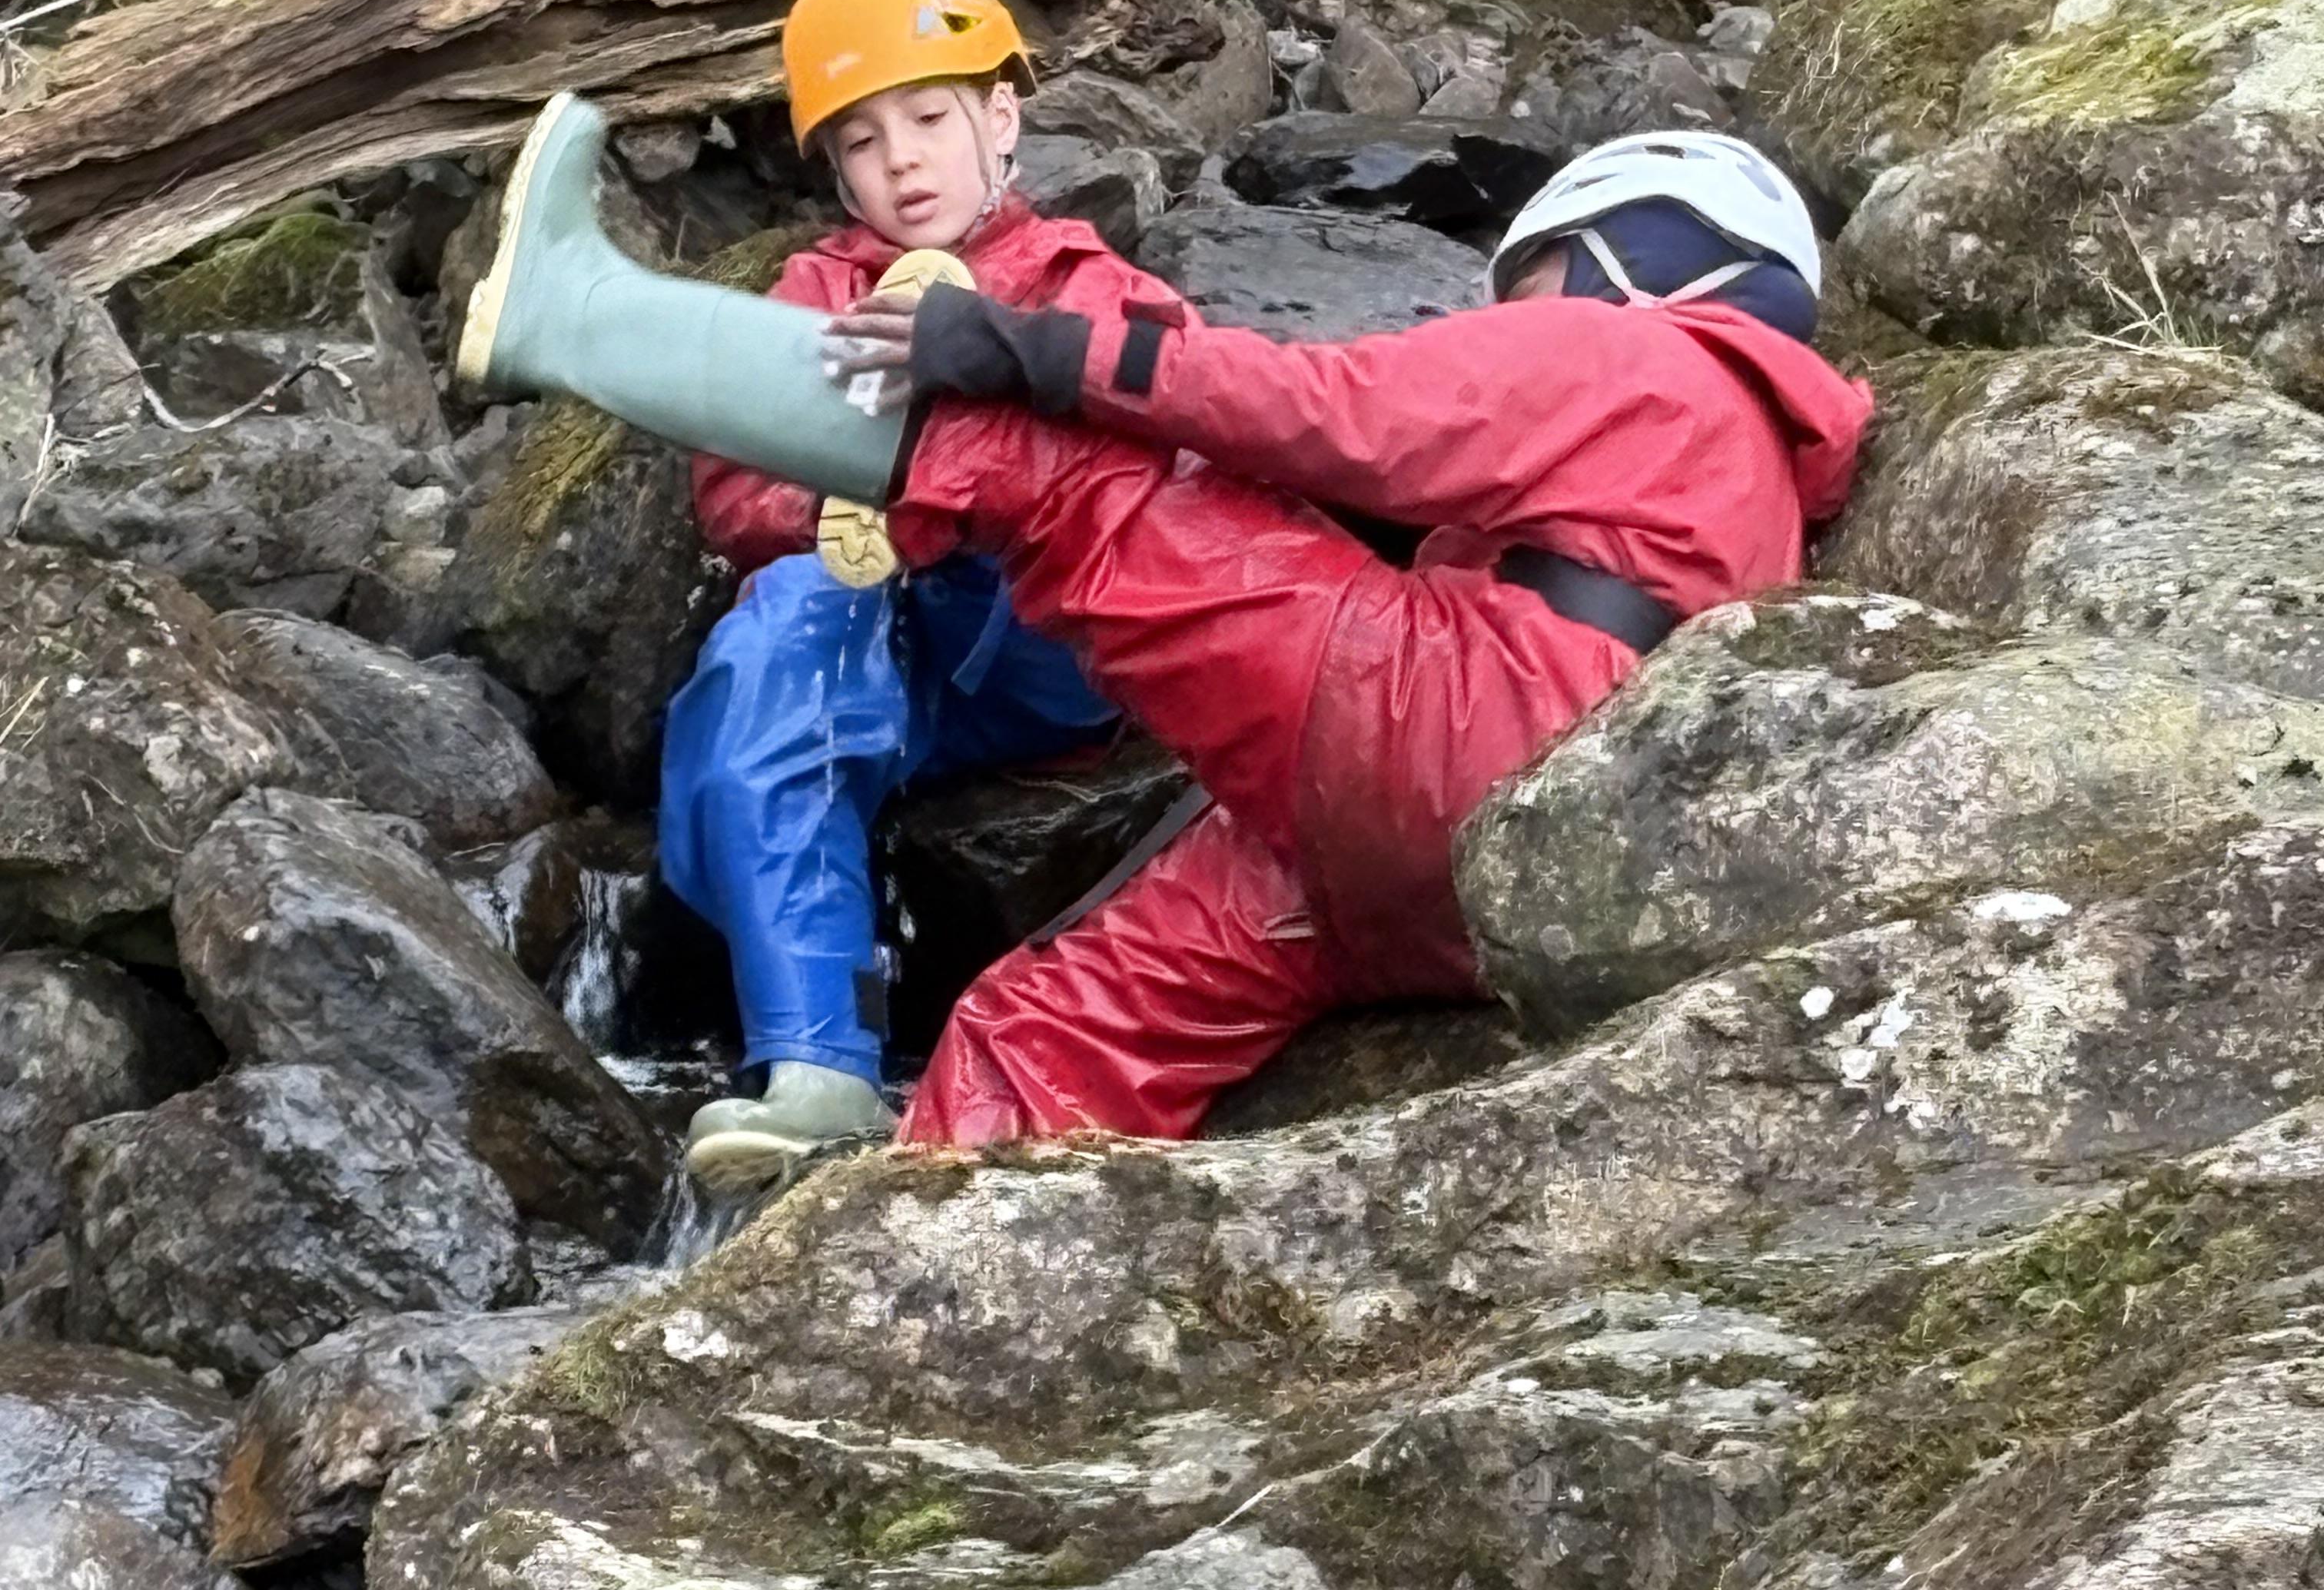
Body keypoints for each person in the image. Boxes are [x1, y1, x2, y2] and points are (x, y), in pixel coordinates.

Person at [460, 113, 1875, 1150]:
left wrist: (1030, 352)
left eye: (1532, 283)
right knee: (1052, 1025)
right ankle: (897, 1274)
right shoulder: (1763, 487)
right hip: (1486, 890)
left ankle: (572, 315)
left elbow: (1331, 415)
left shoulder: (1632, 349)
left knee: (1061, 469)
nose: (1508, 319)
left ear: (1639, 253)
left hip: (1455, 723)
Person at [649, 0, 1200, 1188]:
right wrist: (827, 506)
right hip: (871, 652)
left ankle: (920, 503)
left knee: (961, 538)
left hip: (1042, 640)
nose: (900, 162)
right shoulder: (810, 295)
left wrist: (966, 474)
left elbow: (1177, 458)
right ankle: (819, 1066)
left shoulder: (1087, 285)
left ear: (1000, 120)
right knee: (788, 620)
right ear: (836, 170)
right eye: (862, 141)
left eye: (928, 121)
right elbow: (733, 492)